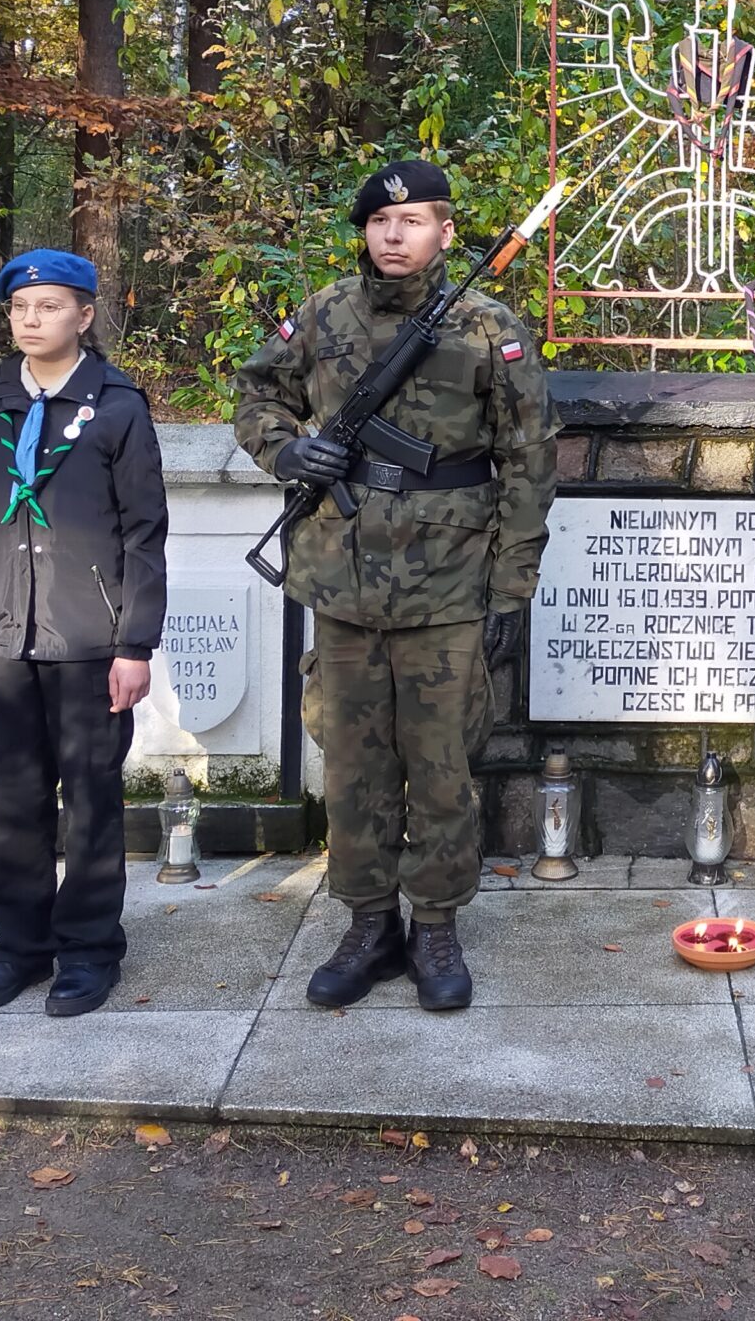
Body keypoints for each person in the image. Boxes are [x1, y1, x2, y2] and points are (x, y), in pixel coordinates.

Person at [233, 160, 557, 1011]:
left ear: (446, 232)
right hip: (342, 581)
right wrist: (287, 452)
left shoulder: (490, 327)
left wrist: (511, 586)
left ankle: (437, 927)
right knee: (353, 767)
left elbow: (529, 462)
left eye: (413, 221)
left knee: (443, 766)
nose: (393, 235)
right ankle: (367, 923)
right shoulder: (325, 313)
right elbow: (257, 394)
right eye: (380, 222)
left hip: (448, 583)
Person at [0, 249, 168, 1020]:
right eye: (20, 309)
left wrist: (134, 645)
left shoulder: (118, 407)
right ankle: (19, 947)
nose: (31, 320)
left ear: (85, 315)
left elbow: (144, 533)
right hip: (1, 636)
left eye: (49, 307)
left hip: (89, 640)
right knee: (11, 799)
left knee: (92, 801)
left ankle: (90, 948)